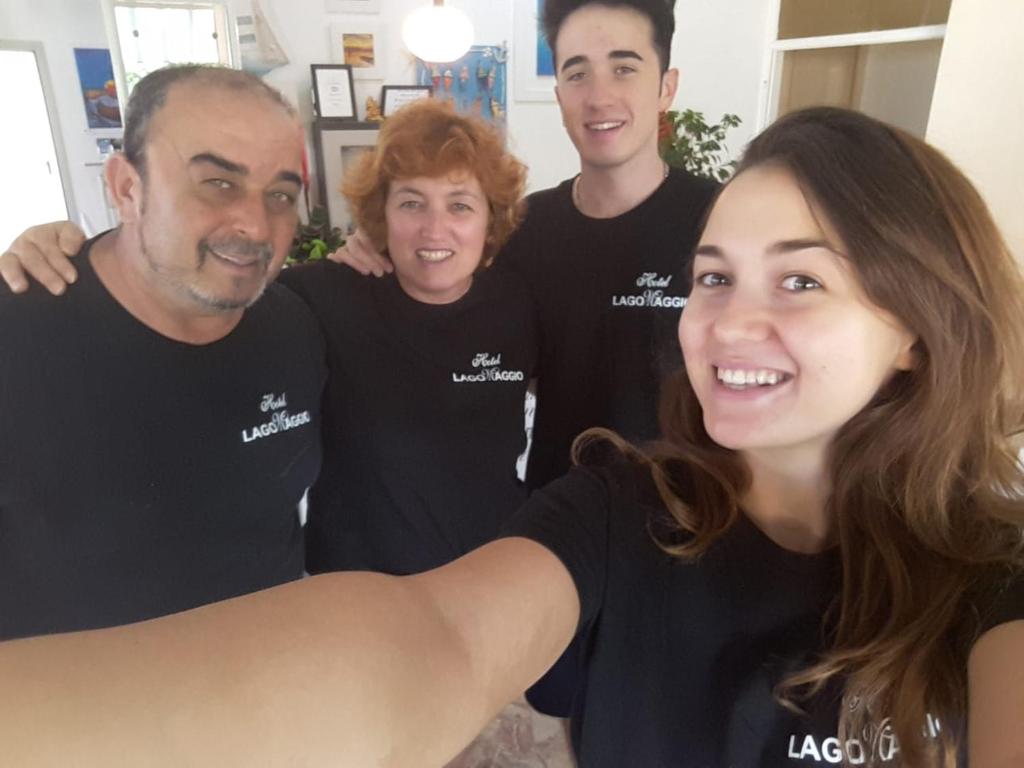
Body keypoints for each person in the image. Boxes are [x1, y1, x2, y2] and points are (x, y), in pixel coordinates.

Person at [3, 107, 1022, 767]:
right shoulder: (624, 509)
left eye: (799, 279)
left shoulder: (992, 573)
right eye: (713, 277)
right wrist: (86, 250)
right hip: (393, 581)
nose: (727, 323)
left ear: (919, 327)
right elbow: (421, 647)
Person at [0, 65, 326, 640]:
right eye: (217, 182)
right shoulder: (18, 336)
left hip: (270, 671)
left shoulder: (295, 326)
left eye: (280, 194)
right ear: (127, 187)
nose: (256, 226)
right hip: (82, 691)